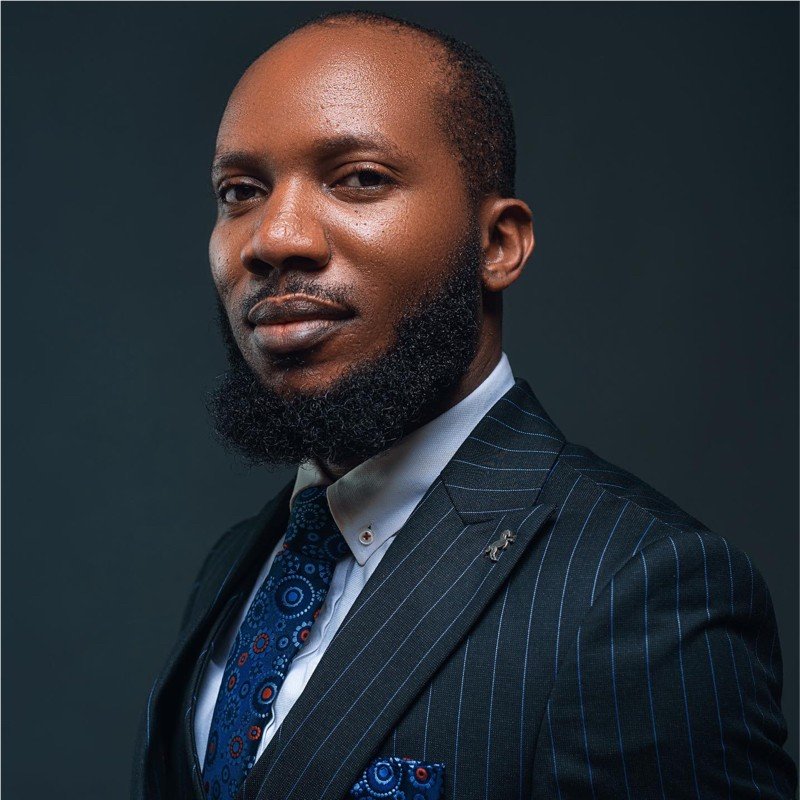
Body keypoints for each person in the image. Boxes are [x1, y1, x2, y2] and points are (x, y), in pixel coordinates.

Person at [132, 11, 796, 800]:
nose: (273, 238)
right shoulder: (238, 565)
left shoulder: (636, 592)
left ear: (498, 244)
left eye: (360, 179)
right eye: (239, 192)